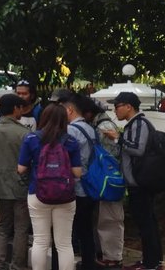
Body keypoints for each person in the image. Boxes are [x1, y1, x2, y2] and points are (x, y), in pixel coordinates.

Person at [102, 92, 163, 270]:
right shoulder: (135, 124)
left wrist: (117, 138)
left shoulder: (139, 124)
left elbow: (137, 149)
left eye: (117, 106)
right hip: (139, 182)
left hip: (140, 183)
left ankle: (151, 263)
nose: (115, 110)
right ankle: (153, 261)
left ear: (128, 106)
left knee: (146, 224)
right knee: (148, 223)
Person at [18, 104, 82, 270]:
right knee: (64, 244)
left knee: (40, 241)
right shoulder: (71, 141)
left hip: (37, 193)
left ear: (43, 117)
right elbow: (77, 172)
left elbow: (21, 168)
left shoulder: (31, 139)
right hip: (65, 196)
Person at [0, 94, 31, 270]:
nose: (22, 111)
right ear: (15, 109)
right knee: (21, 228)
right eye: (20, 107)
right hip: (21, 184)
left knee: (3, 226)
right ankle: (17, 265)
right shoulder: (24, 133)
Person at [82, 99, 124, 269]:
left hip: (110, 181)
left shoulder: (103, 126)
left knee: (110, 220)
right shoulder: (101, 124)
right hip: (108, 181)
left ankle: (113, 257)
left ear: (89, 112)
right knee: (106, 219)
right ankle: (109, 254)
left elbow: (111, 156)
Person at [63, 94, 98, 270]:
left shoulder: (71, 131)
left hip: (77, 184)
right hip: (90, 184)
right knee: (86, 228)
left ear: (69, 110)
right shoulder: (90, 128)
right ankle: (88, 262)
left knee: (73, 228)